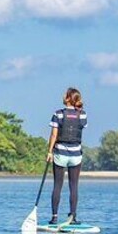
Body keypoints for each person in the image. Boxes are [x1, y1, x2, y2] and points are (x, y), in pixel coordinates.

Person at [46, 87, 88, 225]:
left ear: (69, 98)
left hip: (60, 154)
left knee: (57, 185)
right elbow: (82, 126)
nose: (63, 96)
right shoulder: (82, 114)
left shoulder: (58, 114)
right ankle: (73, 217)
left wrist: (49, 152)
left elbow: (54, 135)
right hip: (76, 155)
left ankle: (54, 217)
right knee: (73, 186)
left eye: (65, 95)